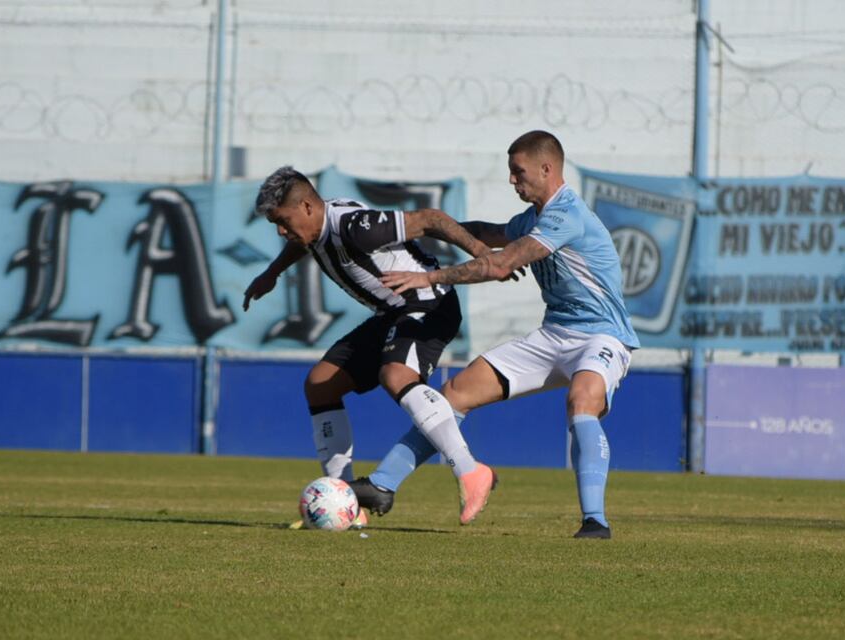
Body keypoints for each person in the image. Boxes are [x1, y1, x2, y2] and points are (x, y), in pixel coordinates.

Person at [356, 130, 640, 539]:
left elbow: (500, 264)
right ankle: (382, 485)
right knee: (454, 394)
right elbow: (488, 234)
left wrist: (428, 277)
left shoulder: (567, 214)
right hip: (554, 334)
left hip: (603, 337)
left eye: (517, 171)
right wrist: (420, 228)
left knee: (582, 401)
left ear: (546, 169)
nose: (512, 180)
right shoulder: (531, 219)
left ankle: (595, 521)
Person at [243, 166, 500, 527]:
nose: (282, 232)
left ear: (305, 207)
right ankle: (346, 499)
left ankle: (471, 472)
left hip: (429, 304)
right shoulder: (312, 227)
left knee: (395, 375)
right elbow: (302, 242)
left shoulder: (353, 225)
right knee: (321, 383)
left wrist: (481, 253)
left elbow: (430, 218)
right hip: (393, 313)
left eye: (283, 221)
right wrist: (272, 272)